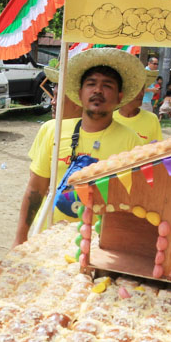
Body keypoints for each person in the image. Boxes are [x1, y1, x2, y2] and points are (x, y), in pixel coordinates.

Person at [14, 48, 144, 245]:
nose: (98, 90)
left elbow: (134, 202)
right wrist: (20, 238)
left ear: (119, 96)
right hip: (48, 238)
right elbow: (35, 189)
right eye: (91, 84)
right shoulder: (53, 131)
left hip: (100, 244)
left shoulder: (132, 142)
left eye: (107, 85)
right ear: (79, 93)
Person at [115, 67, 164, 142]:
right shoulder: (110, 120)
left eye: (142, 89)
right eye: (137, 89)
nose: (141, 94)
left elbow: (158, 149)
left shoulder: (152, 119)